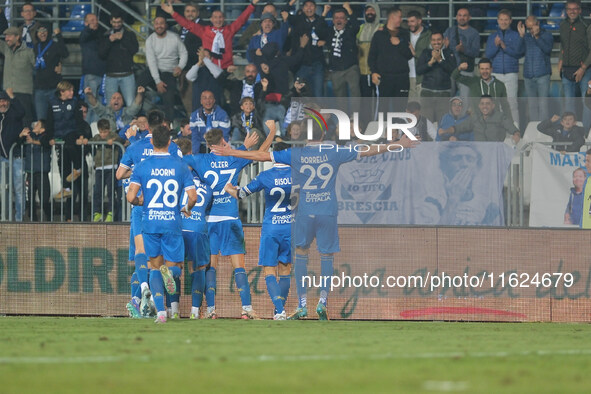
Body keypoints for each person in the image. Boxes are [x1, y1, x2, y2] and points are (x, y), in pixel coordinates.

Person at [210, 121, 418, 320]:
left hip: (304, 214)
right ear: (323, 135)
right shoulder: (335, 151)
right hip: (327, 211)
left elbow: (262, 156)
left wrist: (232, 152)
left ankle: (301, 305)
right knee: (326, 256)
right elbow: (369, 150)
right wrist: (399, 144)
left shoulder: (296, 154)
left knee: (301, 255)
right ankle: (322, 301)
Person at [182, 128, 262, 319]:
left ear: (208, 145)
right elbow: (260, 154)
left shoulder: (200, 160)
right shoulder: (235, 157)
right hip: (230, 219)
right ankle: (247, 309)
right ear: (223, 141)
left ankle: (211, 310)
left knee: (211, 267)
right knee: (239, 267)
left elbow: (178, 162)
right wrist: (254, 142)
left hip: (209, 221)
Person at [127, 124, 197, 324]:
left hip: (150, 223)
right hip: (171, 222)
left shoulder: (142, 166)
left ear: (151, 141)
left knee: (154, 267)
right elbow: (193, 196)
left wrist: (142, 201)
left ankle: (160, 313)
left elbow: (130, 196)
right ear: (169, 142)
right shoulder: (180, 165)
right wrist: (187, 207)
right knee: (174, 268)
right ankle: (171, 273)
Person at [117, 109, 182, 318]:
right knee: (164, 261)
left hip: (141, 206)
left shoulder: (135, 147)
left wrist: (135, 172)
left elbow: (119, 174)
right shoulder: (173, 148)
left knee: (140, 252)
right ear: (164, 125)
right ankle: (162, 304)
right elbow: (181, 171)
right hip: (166, 209)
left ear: (147, 126)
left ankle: (143, 291)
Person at [225, 122, 292, 320]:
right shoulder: (298, 174)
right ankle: (279, 311)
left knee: (269, 270)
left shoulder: (265, 176)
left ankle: (280, 310)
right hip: (290, 226)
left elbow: (242, 193)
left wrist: (231, 189)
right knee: (286, 269)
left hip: (271, 227)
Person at [175, 138, 213, 319]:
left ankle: (172, 310)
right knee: (198, 269)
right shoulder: (208, 185)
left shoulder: (178, 180)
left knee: (174, 266)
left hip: (178, 228)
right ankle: (195, 312)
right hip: (198, 228)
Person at [161, 0, 259, 70]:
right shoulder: (204, 31)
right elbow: (187, 24)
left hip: (226, 69)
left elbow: (241, 20)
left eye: (220, 17)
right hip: (209, 69)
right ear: (211, 19)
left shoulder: (229, 30)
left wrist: (252, 5)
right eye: (215, 17)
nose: (218, 20)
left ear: (224, 19)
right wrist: (172, 13)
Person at [47, 81, 89, 202]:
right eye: (69, 90)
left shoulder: (75, 102)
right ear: (62, 91)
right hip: (58, 135)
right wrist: (50, 137)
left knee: (70, 145)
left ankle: (78, 168)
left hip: (71, 133)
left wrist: (81, 135)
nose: (72, 93)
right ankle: (66, 188)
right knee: (63, 163)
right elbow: (50, 121)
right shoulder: (52, 102)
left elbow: (79, 120)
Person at [485, 9, 524, 125]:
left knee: (512, 103)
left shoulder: (516, 35)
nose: (503, 22)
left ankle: (515, 130)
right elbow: (488, 55)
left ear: (510, 21)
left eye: (506, 19)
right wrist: (497, 46)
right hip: (496, 74)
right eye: (501, 19)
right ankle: (498, 130)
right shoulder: (492, 36)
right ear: (498, 20)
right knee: (496, 104)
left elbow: (518, 53)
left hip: (511, 73)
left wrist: (504, 46)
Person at [144, 16, 188, 120]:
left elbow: (184, 53)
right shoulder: (150, 40)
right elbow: (151, 62)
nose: (159, 26)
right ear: (154, 25)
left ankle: (169, 125)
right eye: (157, 23)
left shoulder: (174, 37)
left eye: (162, 23)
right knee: (138, 86)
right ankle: (140, 118)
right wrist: (157, 81)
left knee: (169, 98)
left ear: (166, 25)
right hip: (155, 70)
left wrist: (180, 66)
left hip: (170, 71)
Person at [285, 0, 330, 97]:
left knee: (318, 95)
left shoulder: (321, 20)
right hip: (302, 64)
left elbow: (328, 35)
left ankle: (318, 112)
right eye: (306, 6)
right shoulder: (298, 20)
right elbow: (283, 13)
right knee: (300, 94)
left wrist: (325, 41)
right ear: (303, 8)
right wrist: (291, 2)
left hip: (317, 63)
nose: (309, 8)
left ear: (315, 8)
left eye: (311, 6)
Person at [368, 7, 413, 105]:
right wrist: (374, 72)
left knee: (401, 108)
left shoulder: (405, 33)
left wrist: (399, 44)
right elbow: (372, 56)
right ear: (392, 17)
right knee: (383, 108)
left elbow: (409, 55)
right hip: (384, 78)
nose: (401, 19)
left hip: (402, 77)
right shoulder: (379, 35)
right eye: (399, 17)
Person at [559, 0, 591, 130]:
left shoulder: (587, 25)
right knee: (568, 104)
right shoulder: (563, 25)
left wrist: (583, 68)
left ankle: (586, 132)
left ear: (580, 10)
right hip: (567, 70)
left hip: (585, 70)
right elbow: (563, 45)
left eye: (575, 9)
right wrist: (560, 59)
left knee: (587, 103)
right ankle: (570, 132)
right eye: (569, 9)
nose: (572, 11)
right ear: (566, 11)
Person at [84, 118, 124, 222]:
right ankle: (97, 213)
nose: (103, 135)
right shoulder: (97, 137)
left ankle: (111, 212)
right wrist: (85, 141)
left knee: (111, 192)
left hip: (111, 168)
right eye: (101, 132)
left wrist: (114, 141)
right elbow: (90, 141)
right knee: (98, 191)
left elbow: (120, 140)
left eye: (105, 132)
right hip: (99, 168)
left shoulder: (113, 136)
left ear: (109, 129)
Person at [451, 58, 513, 123]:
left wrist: (511, 125)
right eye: (482, 69)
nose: (484, 71)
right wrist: (460, 68)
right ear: (479, 70)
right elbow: (454, 76)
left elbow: (505, 106)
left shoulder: (500, 85)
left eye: (487, 69)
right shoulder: (473, 81)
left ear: (491, 69)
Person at [98, 11, 139, 107]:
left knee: (131, 104)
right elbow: (101, 54)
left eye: (119, 22)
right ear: (110, 22)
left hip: (127, 75)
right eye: (114, 22)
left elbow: (134, 50)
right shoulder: (105, 35)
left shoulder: (129, 35)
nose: (116, 24)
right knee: (110, 105)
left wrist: (123, 38)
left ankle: (130, 122)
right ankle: (111, 122)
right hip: (111, 76)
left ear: (122, 22)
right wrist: (109, 41)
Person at [173, 2, 208, 115]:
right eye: (187, 11)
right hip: (183, 69)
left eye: (193, 11)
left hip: (198, 70)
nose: (190, 14)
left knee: (196, 102)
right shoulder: (179, 27)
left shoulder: (203, 26)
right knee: (187, 102)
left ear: (197, 13)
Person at [416, 31, 456, 123]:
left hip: (444, 93)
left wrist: (439, 60)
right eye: (433, 40)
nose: (436, 42)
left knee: (443, 125)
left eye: (438, 40)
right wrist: (430, 63)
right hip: (427, 93)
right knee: (426, 124)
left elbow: (453, 71)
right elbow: (419, 71)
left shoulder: (449, 52)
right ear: (430, 41)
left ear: (443, 40)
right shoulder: (425, 52)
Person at [444, 8, 480, 108]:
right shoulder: (449, 31)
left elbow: (476, 52)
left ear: (469, 17)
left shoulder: (474, 33)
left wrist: (464, 50)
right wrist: (444, 47)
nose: (462, 17)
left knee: (465, 102)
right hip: (451, 69)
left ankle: (464, 123)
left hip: (466, 71)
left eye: (464, 15)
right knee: (448, 101)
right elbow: (442, 48)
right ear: (456, 17)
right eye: (460, 15)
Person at [0, 26, 36, 128]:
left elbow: (40, 67)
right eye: (6, 36)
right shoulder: (6, 49)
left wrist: (57, 65)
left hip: (23, 92)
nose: (6, 38)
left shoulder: (29, 52)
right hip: (7, 92)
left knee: (25, 118)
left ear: (17, 37)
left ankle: (26, 142)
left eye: (9, 36)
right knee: (8, 119)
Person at [520, 16, 553, 122]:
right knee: (532, 105)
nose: (530, 30)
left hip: (543, 75)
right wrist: (521, 37)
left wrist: (537, 36)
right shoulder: (526, 36)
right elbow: (518, 52)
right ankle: (533, 130)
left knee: (543, 105)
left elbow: (547, 49)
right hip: (528, 75)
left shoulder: (547, 35)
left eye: (532, 27)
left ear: (537, 23)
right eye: (528, 28)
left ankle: (543, 131)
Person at [0, 89, 26, 222]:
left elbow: (22, 111)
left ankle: (19, 219)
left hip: (16, 157)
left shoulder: (14, 114)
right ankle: (4, 217)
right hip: (2, 159)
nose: (3, 103)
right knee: (2, 189)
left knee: (19, 189)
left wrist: (12, 96)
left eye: (5, 101)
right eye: (1, 101)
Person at [33, 25, 69, 121]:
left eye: (44, 30)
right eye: (40, 31)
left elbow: (65, 54)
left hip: (54, 88)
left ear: (48, 32)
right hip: (40, 89)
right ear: (37, 34)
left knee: (58, 118)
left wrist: (59, 36)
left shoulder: (54, 45)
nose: (42, 33)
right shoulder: (36, 47)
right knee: (41, 120)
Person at [453, 95, 520, 142]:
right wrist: (446, 132)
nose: (485, 106)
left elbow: (512, 128)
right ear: (479, 106)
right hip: (479, 154)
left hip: (495, 153)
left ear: (493, 106)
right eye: (482, 104)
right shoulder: (475, 118)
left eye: (488, 104)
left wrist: (516, 134)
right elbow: (459, 127)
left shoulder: (500, 117)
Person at [326, 3, 360, 98]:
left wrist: (349, 9)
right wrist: (324, 12)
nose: (339, 20)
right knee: (340, 98)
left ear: (345, 21)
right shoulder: (329, 32)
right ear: (333, 21)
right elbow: (318, 29)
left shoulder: (350, 31)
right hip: (336, 70)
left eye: (341, 18)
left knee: (355, 94)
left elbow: (357, 26)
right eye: (336, 18)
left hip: (351, 67)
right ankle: (342, 114)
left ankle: (356, 113)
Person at [79, 13, 107, 124]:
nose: (95, 22)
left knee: (100, 106)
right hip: (91, 74)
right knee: (90, 104)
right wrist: (90, 29)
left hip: (104, 75)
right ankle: (88, 132)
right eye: (92, 20)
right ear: (86, 23)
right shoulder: (85, 35)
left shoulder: (101, 34)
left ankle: (96, 132)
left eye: (96, 20)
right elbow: (84, 36)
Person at [22, 119, 51, 221]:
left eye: (37, 125)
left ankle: (49, 218)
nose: (34, 125)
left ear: (42, 129)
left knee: (44, 199)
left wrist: (33, 142)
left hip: (42, 172)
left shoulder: (46, 136)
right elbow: (19, 140)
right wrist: (22, 134)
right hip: (30, 172)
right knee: (30, 198)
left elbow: (46, 142)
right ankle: (33, 219)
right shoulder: (30, 135)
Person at [356, 4, 382, 98]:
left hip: (378, 72)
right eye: (367, 10)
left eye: (372, 10)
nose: (369, 12)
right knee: (365, 100)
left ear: (377, 12)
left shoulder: (383, 28)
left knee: (379, 100)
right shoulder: (360, 28)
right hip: (363, 72)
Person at [407, 10, 431, 99]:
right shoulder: (405, 35)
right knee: (409, 109)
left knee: (422, 108)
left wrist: (414, 53)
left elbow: (430, 56)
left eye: (412, 21)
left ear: (419, 21)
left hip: (422, 78)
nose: (410, 24)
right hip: (408, 77)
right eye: (408, 21)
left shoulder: (428, 35)